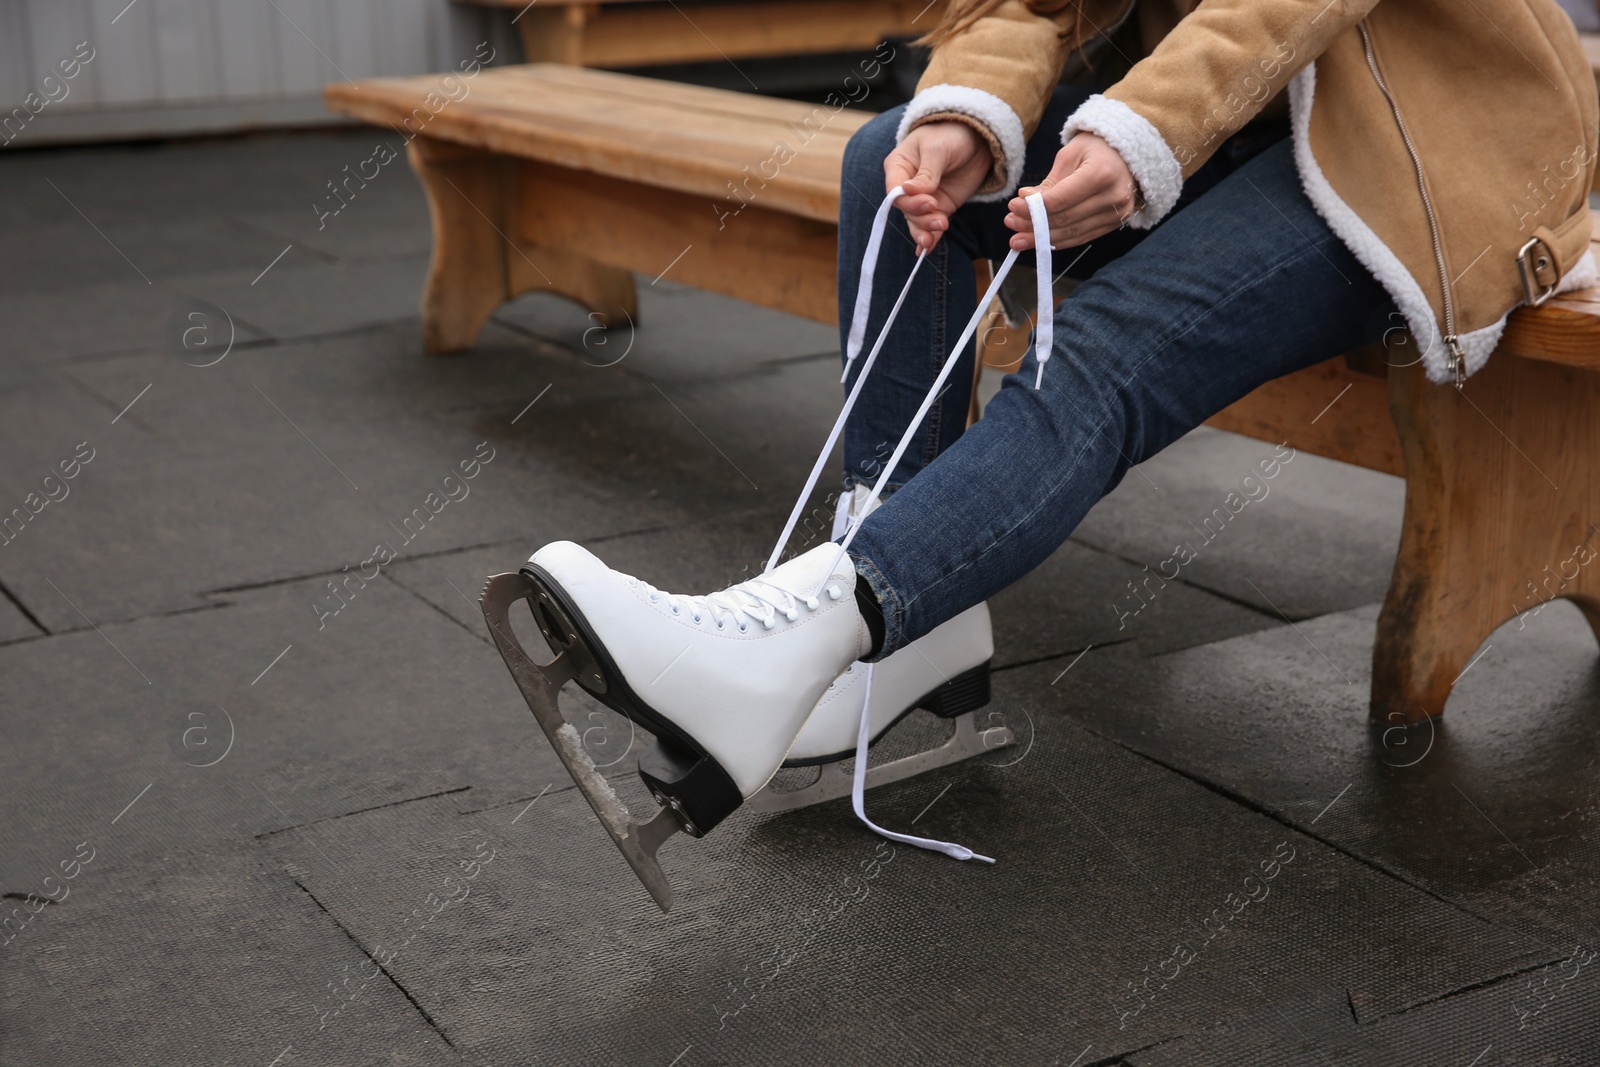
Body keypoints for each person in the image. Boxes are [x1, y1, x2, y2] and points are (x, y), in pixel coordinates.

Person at [519, 0, 1597, 847]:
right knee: (888, 159)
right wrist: (962, 117)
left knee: (1103, 343)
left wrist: (1140, 134)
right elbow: (1025, 3)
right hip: (1234, 110)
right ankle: (911, 622)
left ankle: (811, 630)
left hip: (1416, 138)